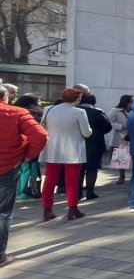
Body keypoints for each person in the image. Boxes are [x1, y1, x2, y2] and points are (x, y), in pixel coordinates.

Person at [1, 85, 47, 266]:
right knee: (3, 213)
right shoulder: (17, 113)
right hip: (6, 167)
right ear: (5, 97)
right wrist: (28, 155)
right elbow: (40, 136)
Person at [40, 88, 92, 221]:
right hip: (73, 149)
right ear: (78, 99)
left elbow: (42, 127)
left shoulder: (49, 109)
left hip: (52, 148)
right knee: (72, 181)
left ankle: (47, 210)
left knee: (50, 180)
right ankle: (72, 208)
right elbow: (86, 133)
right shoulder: (79, 112)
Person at [78, 93, 113, 200]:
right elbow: (107, 128)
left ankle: (78, 192)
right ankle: (90, 192)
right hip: (95, 144)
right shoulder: (97, 112)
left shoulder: (74, 111)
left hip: (77, 143)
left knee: (79, 169)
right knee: (92, 169)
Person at [14, 94, 44, 201]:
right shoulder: (34, 115)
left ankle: (19, 192)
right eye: (39, 100)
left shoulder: (16, 111)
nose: (40, 102)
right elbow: (38, 133)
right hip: (30, 146)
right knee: (31, 170)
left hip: (17, 145)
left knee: (20, 170)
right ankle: (25, 193)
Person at [108, 95, 134, 185]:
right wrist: (121, 126)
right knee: (121, 156)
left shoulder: (133, 111)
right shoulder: (115, 111)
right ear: (126, 102)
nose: (133, 103)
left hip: (132, 136)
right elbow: (109, 122)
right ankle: (121, 176)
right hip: (120, 136)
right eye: (131, 102)